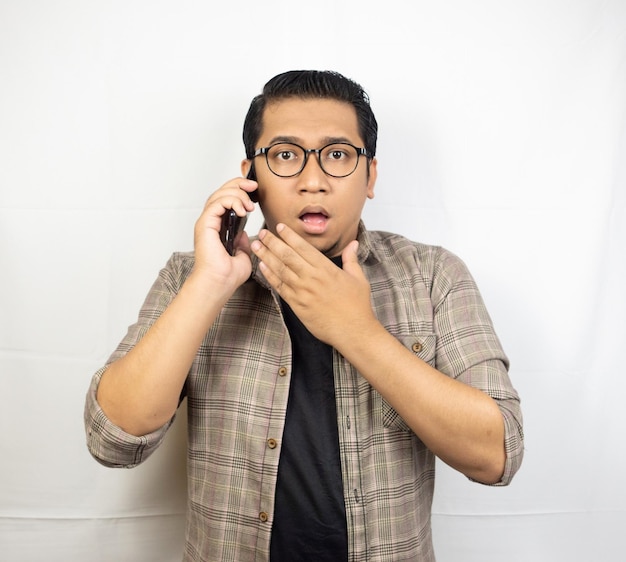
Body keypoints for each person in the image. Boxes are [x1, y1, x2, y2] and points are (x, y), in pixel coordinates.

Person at [84, 70, 524, 561]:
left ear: (370, 175)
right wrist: (209, 285)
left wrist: (357, 331)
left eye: (337, 155)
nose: (312, 181)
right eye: (286, 156)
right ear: (250, 176)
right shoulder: (191, 277)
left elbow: (498, 455)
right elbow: (113, 441)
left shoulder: (433, 275)